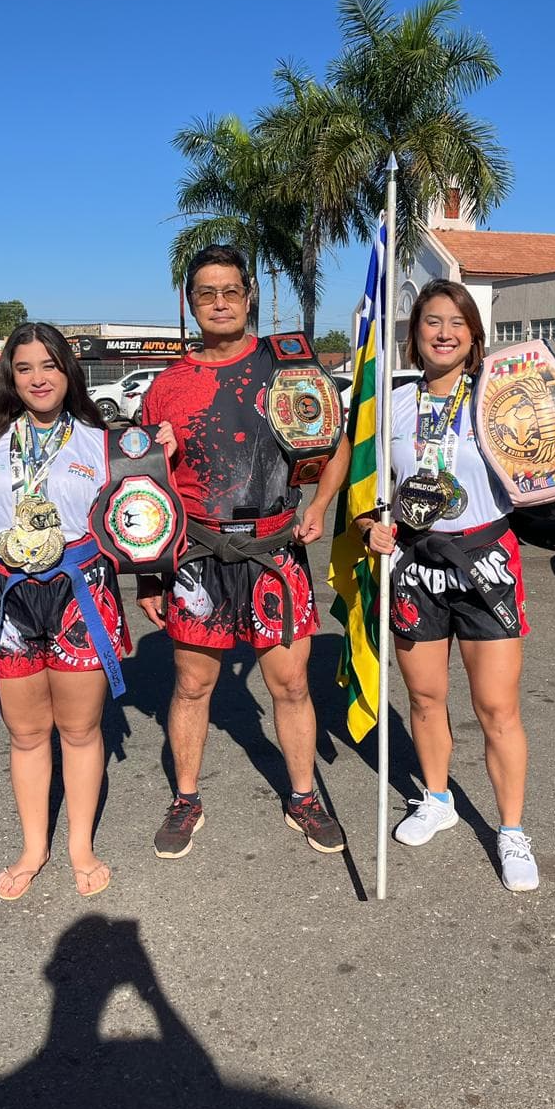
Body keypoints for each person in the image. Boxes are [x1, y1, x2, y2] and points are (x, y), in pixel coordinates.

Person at [359, 280, 555, 892]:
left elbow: (554, 451)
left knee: (496, 708)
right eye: (431, 321)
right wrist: (370, 529)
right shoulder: (393, 406)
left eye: (456, 323)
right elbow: (366, 492)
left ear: (473, 335)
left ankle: (511, 830)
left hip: (486, 556)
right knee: (425, 699)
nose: (443, 332)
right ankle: (437, 799)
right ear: (413, 335)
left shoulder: (500, 397)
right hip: (415, 560)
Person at [137, 244, 350, 860]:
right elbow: (144, 487)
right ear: (190, 301)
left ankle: (304, 796)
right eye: (207, 292)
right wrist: (150, 576)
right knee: (191, 685)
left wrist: (318, 507)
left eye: (231, 290)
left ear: (248, 295)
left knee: (289, 685)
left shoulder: (290, 367)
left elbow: (333, 445)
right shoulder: (167, 386)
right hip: (197, 553)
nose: (220, 302)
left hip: (275, 549)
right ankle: (185, 798)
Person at [0, 323, 127, 900]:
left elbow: (137, 517)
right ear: (10, 377)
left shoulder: (99, 441)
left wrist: (156, 452)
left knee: (81, 730)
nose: (39, 377)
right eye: (25, 368)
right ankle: (33, 846)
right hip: (6, 595)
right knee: (28, 733)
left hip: (79, 591)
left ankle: (80, 846)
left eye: (50, 365)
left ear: (68, 371)